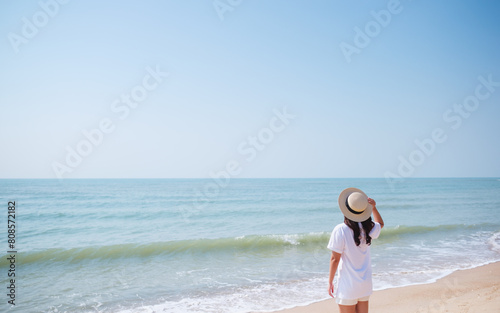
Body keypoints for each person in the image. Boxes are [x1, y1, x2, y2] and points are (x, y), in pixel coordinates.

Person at [327, 188, 384, 313]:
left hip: (348, 286)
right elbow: (380, 223)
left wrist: (330, 281)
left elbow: (334, 259)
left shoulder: (341, 229)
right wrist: (374, 208)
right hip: (364, 284)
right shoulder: (368, 227)